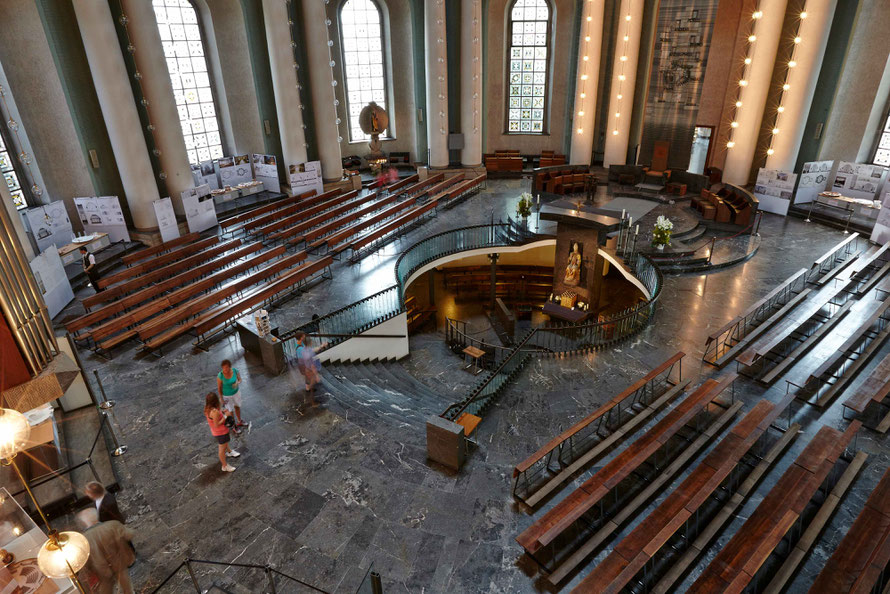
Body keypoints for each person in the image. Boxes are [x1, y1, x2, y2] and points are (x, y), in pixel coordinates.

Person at [76, 507, 135, 594]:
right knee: (126, 585)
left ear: (83, 521)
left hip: (101, 570)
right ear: (96, 516)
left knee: (106, 587)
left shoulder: (83, 539)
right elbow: (129, 534)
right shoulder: (113, 525)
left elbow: (83, 559)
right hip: (120, 563)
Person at [204, 392, 239, 472]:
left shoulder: (207, 408)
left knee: (225, 443)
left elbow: (213, 420)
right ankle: (224, 466)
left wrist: (222, 412)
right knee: (221, 450)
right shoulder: (214, 412)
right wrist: (225, 416)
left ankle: (229, 451)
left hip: (216, 432)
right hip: (221, 432)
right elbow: (217, 424)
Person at [217, 359, 246, 428]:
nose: (225, 369)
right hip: (226, 396)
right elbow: (219, 388)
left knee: (237, 406)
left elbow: (240, 379)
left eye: (226, 367)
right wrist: (221, 398)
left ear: (230, 367)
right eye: (223, 368)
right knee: (230, 411)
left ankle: (239, 421)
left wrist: (237, 383)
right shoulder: (220, 376)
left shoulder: (235, 371)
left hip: (236, 393)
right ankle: (234, 426)